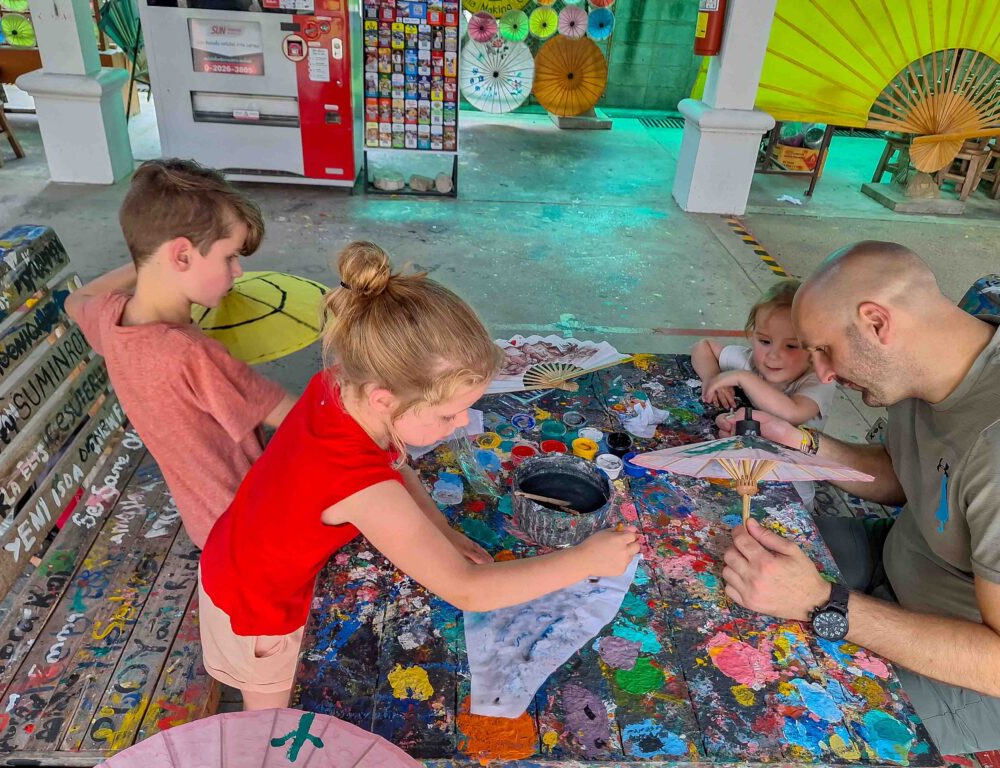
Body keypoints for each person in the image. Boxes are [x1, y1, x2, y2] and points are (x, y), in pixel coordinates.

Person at [198, 242, 640, 710]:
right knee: (271, 731)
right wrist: (587, 561)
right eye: (450, 413)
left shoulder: (342, 383)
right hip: (257, 611)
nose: (462, 425)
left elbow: (395, 460)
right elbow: (468, 590)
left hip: (236, 549)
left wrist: (441, 529)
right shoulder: (357, 485)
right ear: (385, 398)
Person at [717, 242, 1000, 754]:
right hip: (895, 561)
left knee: (778, 716)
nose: (822, 375)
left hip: (967, 665)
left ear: (876, 322)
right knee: (726, 568)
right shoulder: (930, 365)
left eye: (824, 350)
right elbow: (901, 474)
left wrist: (825, 603)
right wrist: (799, 441)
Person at [65, 159, 296, 549]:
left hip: (207, 524)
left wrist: (148, 258)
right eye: (229, 257)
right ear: (182, 256)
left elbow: (76, 299)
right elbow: (298, 418)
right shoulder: (193, 355)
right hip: (255, 531)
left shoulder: (110, 318)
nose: (238, 272)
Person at [692, 279, 836, 507]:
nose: (773, 355)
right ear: (752, 335)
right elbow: (704, 346)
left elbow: (792, 414)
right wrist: (713, 377)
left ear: (814, 349)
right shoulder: (752, 360)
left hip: (789, 491)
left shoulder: (817, 381)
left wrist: (742, 377)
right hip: (746, 471)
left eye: (791, 346)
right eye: (765, 341)